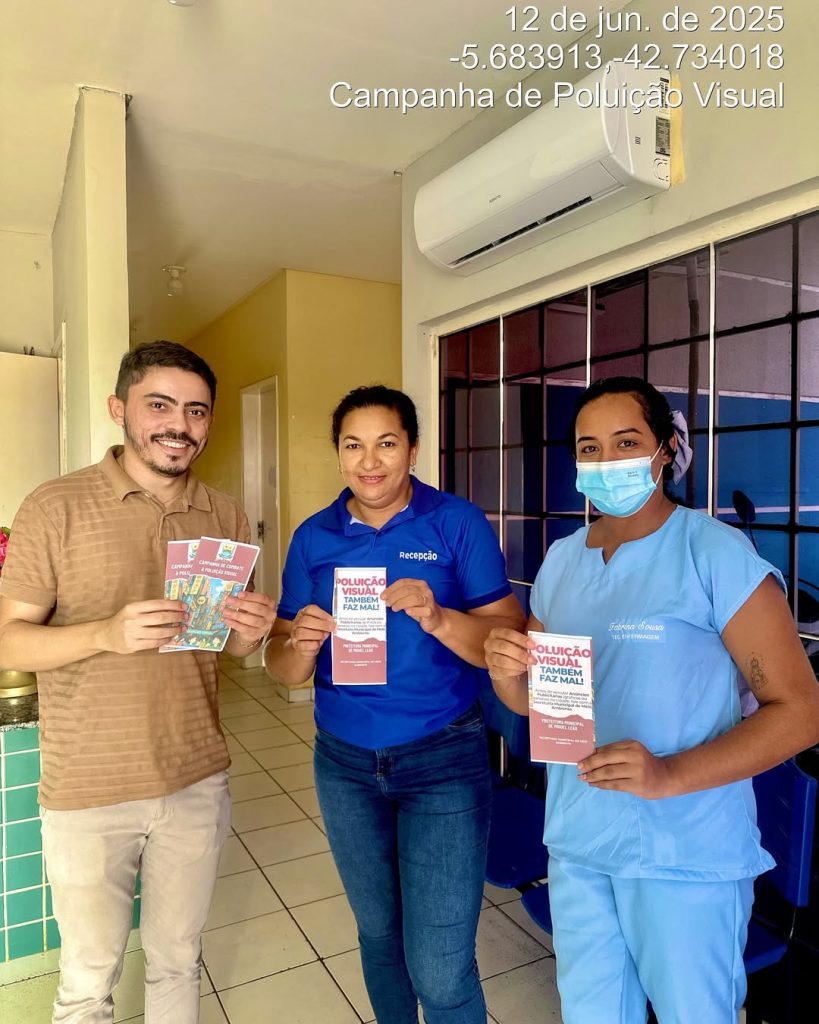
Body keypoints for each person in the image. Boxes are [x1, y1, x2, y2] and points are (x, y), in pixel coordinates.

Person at [484, 376, 819, 1024]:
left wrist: (668, 775)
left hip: (684, 854)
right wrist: (505, 673)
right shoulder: (562, 562)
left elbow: (801, 712)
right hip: (580, 840)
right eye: (590, 447)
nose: (606, 461)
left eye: (626, 441)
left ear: (665, 450)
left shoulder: (713, 554)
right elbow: (538, 703)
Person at [0, 341, 277, 1024]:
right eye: (159, 405)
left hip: (196, 778)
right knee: (88, 982)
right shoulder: (54, 506)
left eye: (196, 410)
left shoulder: (225, 513)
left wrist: (254, 628)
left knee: (178, 961)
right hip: (88, 788)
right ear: (119, 409)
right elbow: (8, 638)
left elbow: (230, 647)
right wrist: (103, 633)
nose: (179, 424)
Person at [264, 384, 525, 1024]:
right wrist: (299, 646)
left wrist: (438, 617)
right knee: (379, 935)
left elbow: (508, 639)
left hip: (443, 758)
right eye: (353, 445)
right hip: (344, 764)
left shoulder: (456, 522)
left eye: (385, 443)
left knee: (440, 965)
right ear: (338, 453)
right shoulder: (313, 537)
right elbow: (279, 661)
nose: (369, 461)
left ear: (412, 448)